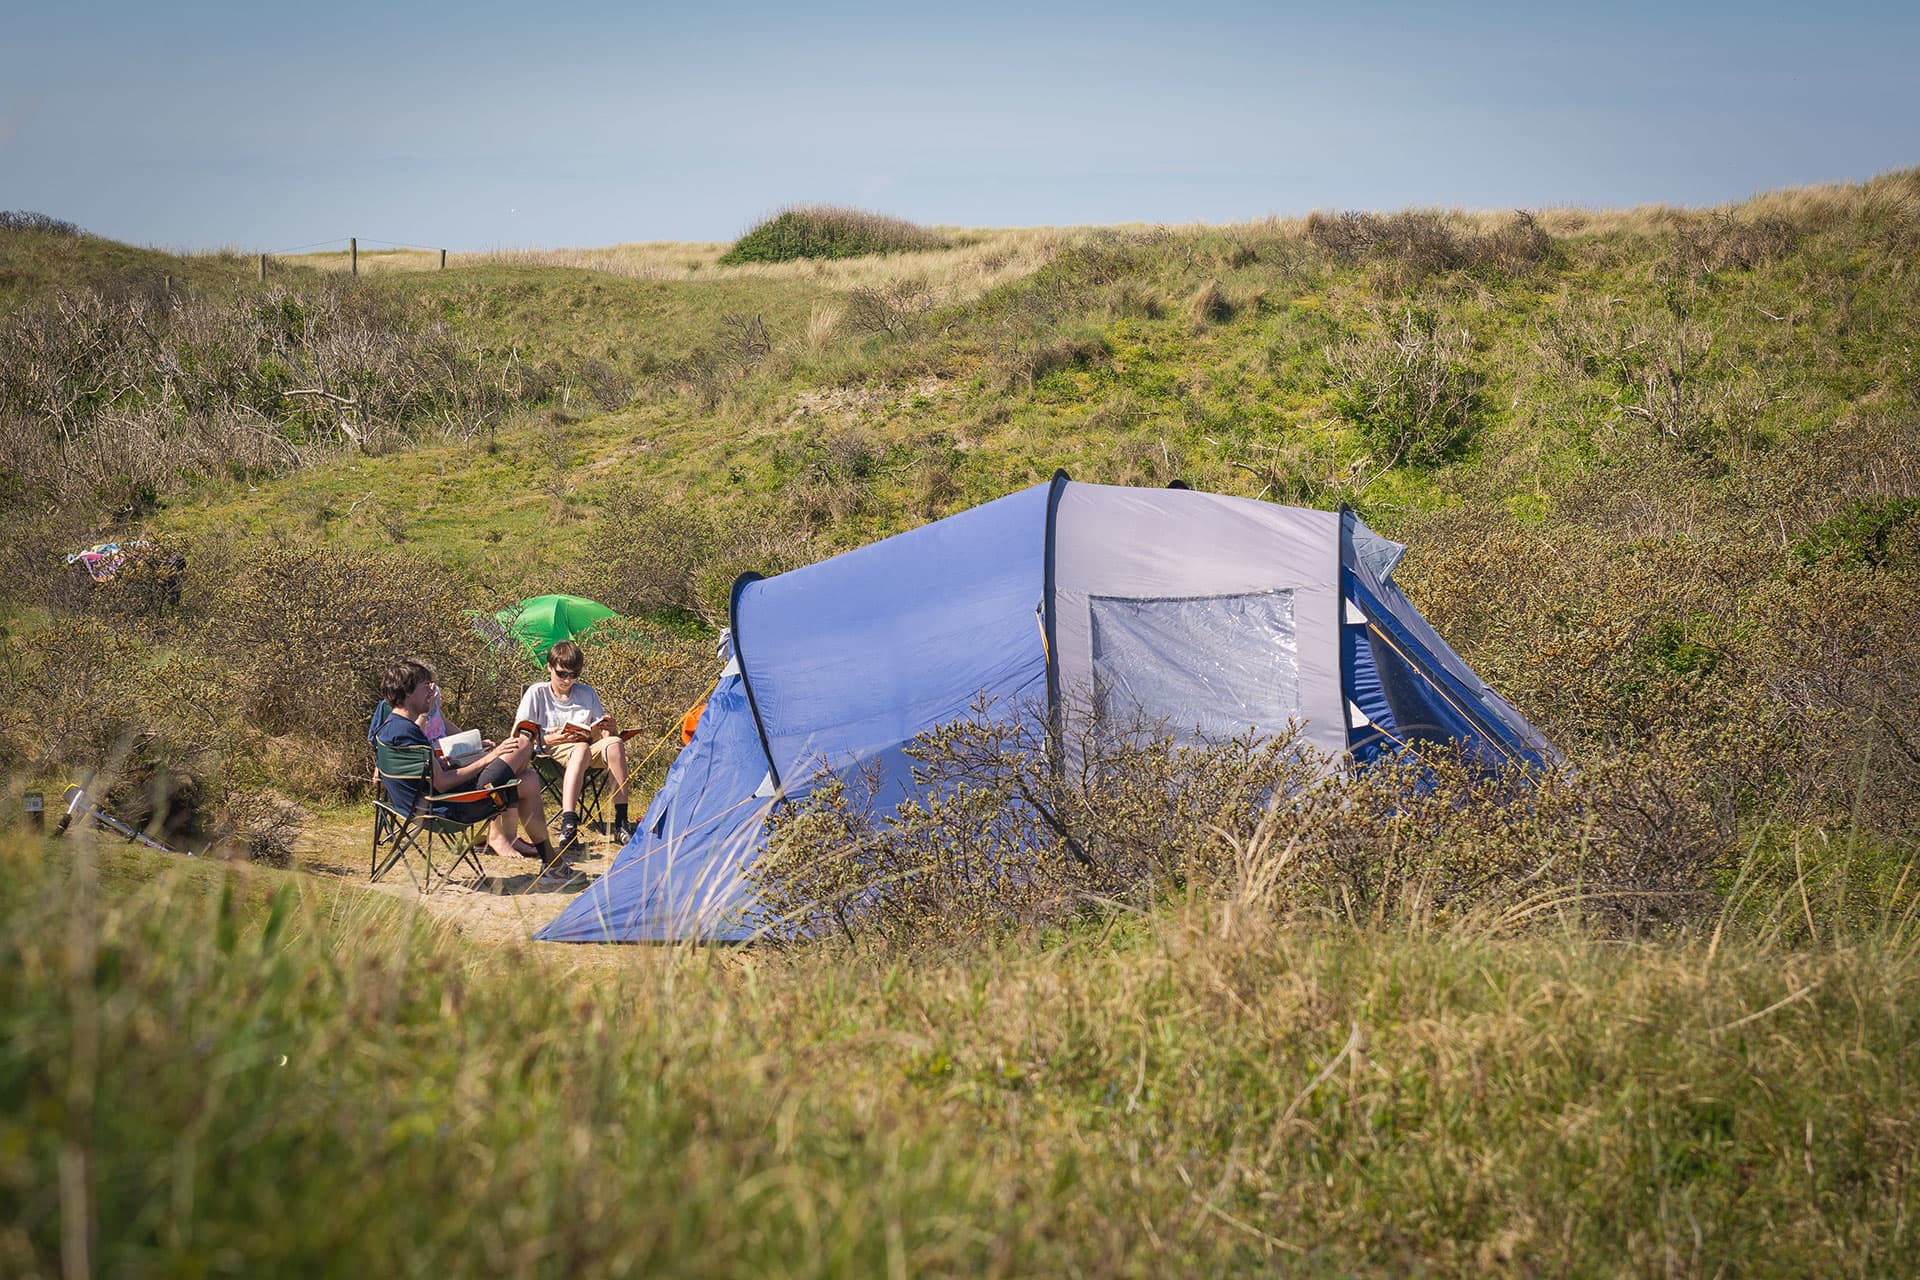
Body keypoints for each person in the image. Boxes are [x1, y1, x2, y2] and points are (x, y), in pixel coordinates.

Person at [375, 657, 562, 870]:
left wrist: (446, 760)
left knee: (527, 779)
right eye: (425, 685)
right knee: (522, 744)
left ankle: (551, 862)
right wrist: (489, 758)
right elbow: (444, 783)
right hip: (449, 807)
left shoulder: (391, 727)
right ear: (408, 692)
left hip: (421, 804)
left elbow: (429, 774)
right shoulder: (410, 733)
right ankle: (543, 857)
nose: (431, 690)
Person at [515, 640, 635, 849]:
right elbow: (519, 735)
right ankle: (569, 823)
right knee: (579, 749)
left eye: (574, 675)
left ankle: (621, 822)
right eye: (562, 674)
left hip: (587, 745)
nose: (567, 680)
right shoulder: (537, 692)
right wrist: (551, 738)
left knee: (615, 743)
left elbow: (601, 733)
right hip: (551, 750)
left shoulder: (587, 693)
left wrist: (610, 729)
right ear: (549, 667)